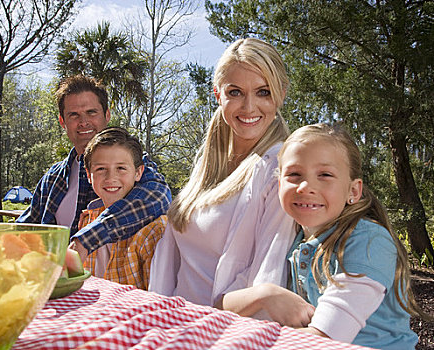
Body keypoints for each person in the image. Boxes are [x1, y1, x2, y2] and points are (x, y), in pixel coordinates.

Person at [148, 38, 311, 324]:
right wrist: (157, 318)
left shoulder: (279, 169)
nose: (249, 107)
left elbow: (266, 275)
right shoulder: (208, 163)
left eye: (263, 92)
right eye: (235, 92)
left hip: (219, 332)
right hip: (172, 323)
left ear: (281, 95)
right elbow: (171, 259)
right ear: (217, 94)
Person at [276, 123, 426, 349]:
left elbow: (325, 339)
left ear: (353, 191)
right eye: (294, 174)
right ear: (279, 183)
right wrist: (261, 295)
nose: (305, 187)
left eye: (325, 175)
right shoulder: (293, 240)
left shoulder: (368, 242)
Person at [17, 75, 171, 258]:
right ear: (62, 122)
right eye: (74, 115)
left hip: (111, 283)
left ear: (107, 115)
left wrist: (85, 241)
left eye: (91, 112)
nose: (83, 122)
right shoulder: (52, 178)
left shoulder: (132, 164)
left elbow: (158, 197)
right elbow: (24, 230)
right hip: (52, 280)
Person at [78, 127, 167, 290]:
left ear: (138, 172)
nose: (111, 177)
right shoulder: (87, 220)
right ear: (89, 175)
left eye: (121, 168)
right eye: (100, 169)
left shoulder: (153, 231)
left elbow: (159, 299)